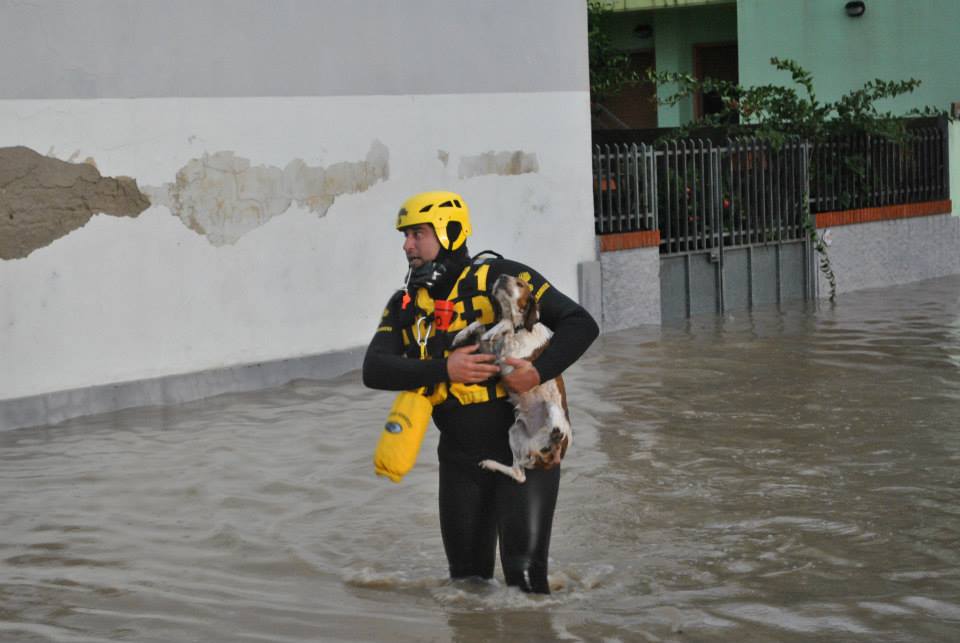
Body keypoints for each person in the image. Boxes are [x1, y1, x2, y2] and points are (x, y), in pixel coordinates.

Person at [362, 191, 598, 594]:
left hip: (524, 452)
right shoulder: (405, 304)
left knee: (526, 585)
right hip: (459, 460)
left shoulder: (500, 277)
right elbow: (374, 368)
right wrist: (445, 368)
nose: (407, 245)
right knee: (467, 586)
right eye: (405, 236)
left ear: (451, 232)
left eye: (418, 234)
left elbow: (580, 323)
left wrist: (536, 372)